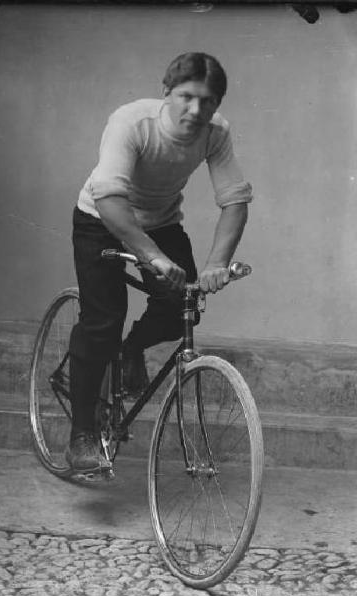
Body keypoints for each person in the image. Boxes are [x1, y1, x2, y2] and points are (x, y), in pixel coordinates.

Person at [67, 52, 253, 472]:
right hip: (102, 219)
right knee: (102, 322)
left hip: (162, 222)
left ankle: (130, 350)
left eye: (208, 101)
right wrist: (150, 256)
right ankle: (80, 437)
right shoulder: (132, 122)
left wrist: (216, 263)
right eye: (187, 96)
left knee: (179, 310)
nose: (196, 110)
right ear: (166, 92)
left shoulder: (216, 133)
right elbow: (110, 198)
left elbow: (235, 199)